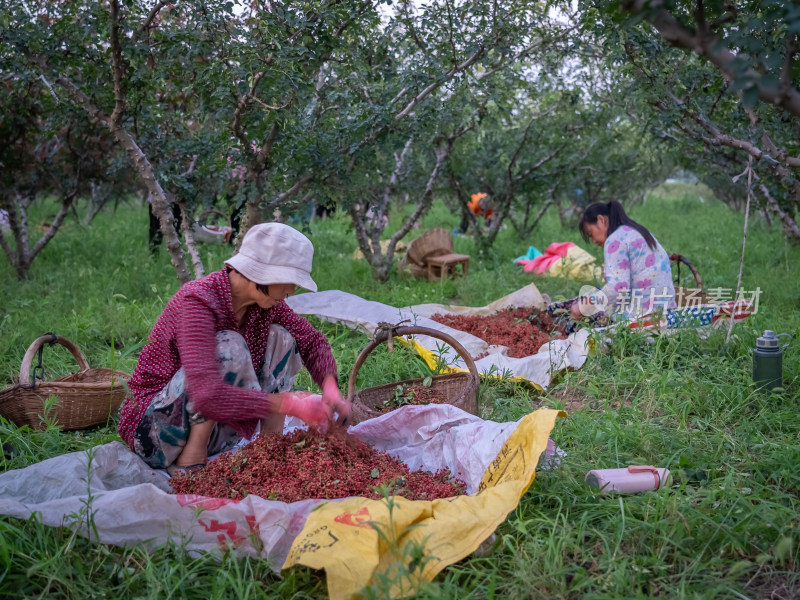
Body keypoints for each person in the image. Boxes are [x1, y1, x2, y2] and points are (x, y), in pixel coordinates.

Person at [118, 222, 349, 475]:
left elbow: (311, 340)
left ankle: (269, 449)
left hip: (223, 428)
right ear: (263, 273)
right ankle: (192, 456)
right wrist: (290, 404)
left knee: (283, 337)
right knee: (230, 344)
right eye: (289, 280)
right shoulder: (198, 300)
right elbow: (206, 394)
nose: (291, 290)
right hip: (156, 434)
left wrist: (330, 388)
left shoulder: (266, 305)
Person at [549, 201, 675, 327]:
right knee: (596, 297)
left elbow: (618, 289)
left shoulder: (615, 240)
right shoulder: (638, 232)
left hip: (644, 316)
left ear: (600, 220)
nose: (593, 241)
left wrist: (583, 306)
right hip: (667, 309)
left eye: (590, 233)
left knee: (578, 318)